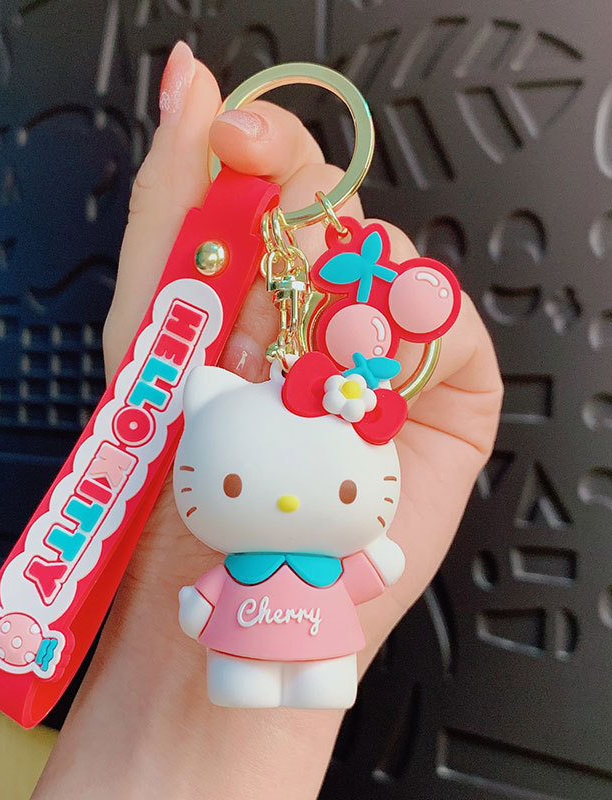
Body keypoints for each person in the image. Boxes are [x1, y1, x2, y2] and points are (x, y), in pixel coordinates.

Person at [32, 41, 502, 800]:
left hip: (313, 647)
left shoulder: (325, 538)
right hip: (239, 647)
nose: (285, 499)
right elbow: (216, 597)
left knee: (310, 675)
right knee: (243, 675)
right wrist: (166, 609)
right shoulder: (239, 515)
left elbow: (368, 566)